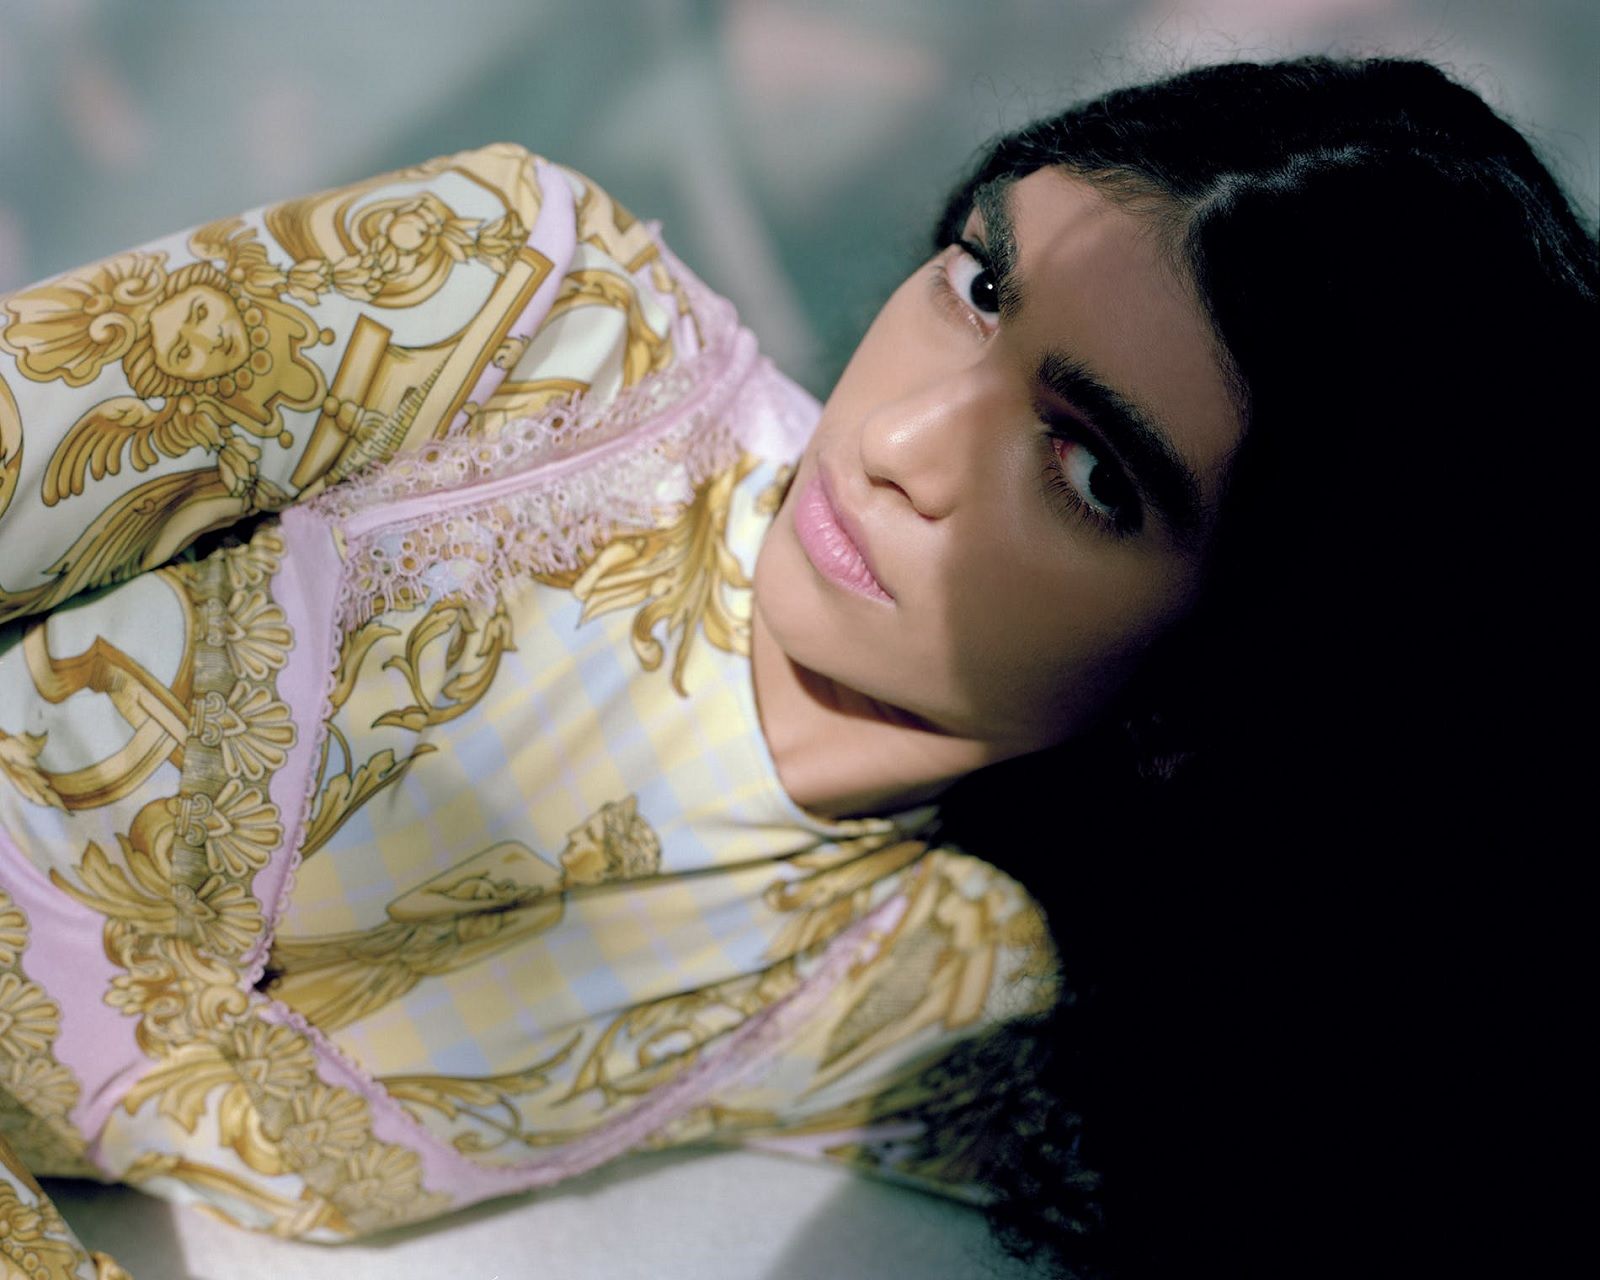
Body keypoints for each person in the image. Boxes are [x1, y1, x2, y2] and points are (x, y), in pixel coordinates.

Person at [0, 52, 1592, 1277]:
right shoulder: (513, 312)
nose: (902, 440)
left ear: (1220, 679)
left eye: (1089, 468)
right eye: (979, 286)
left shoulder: (951, 978)